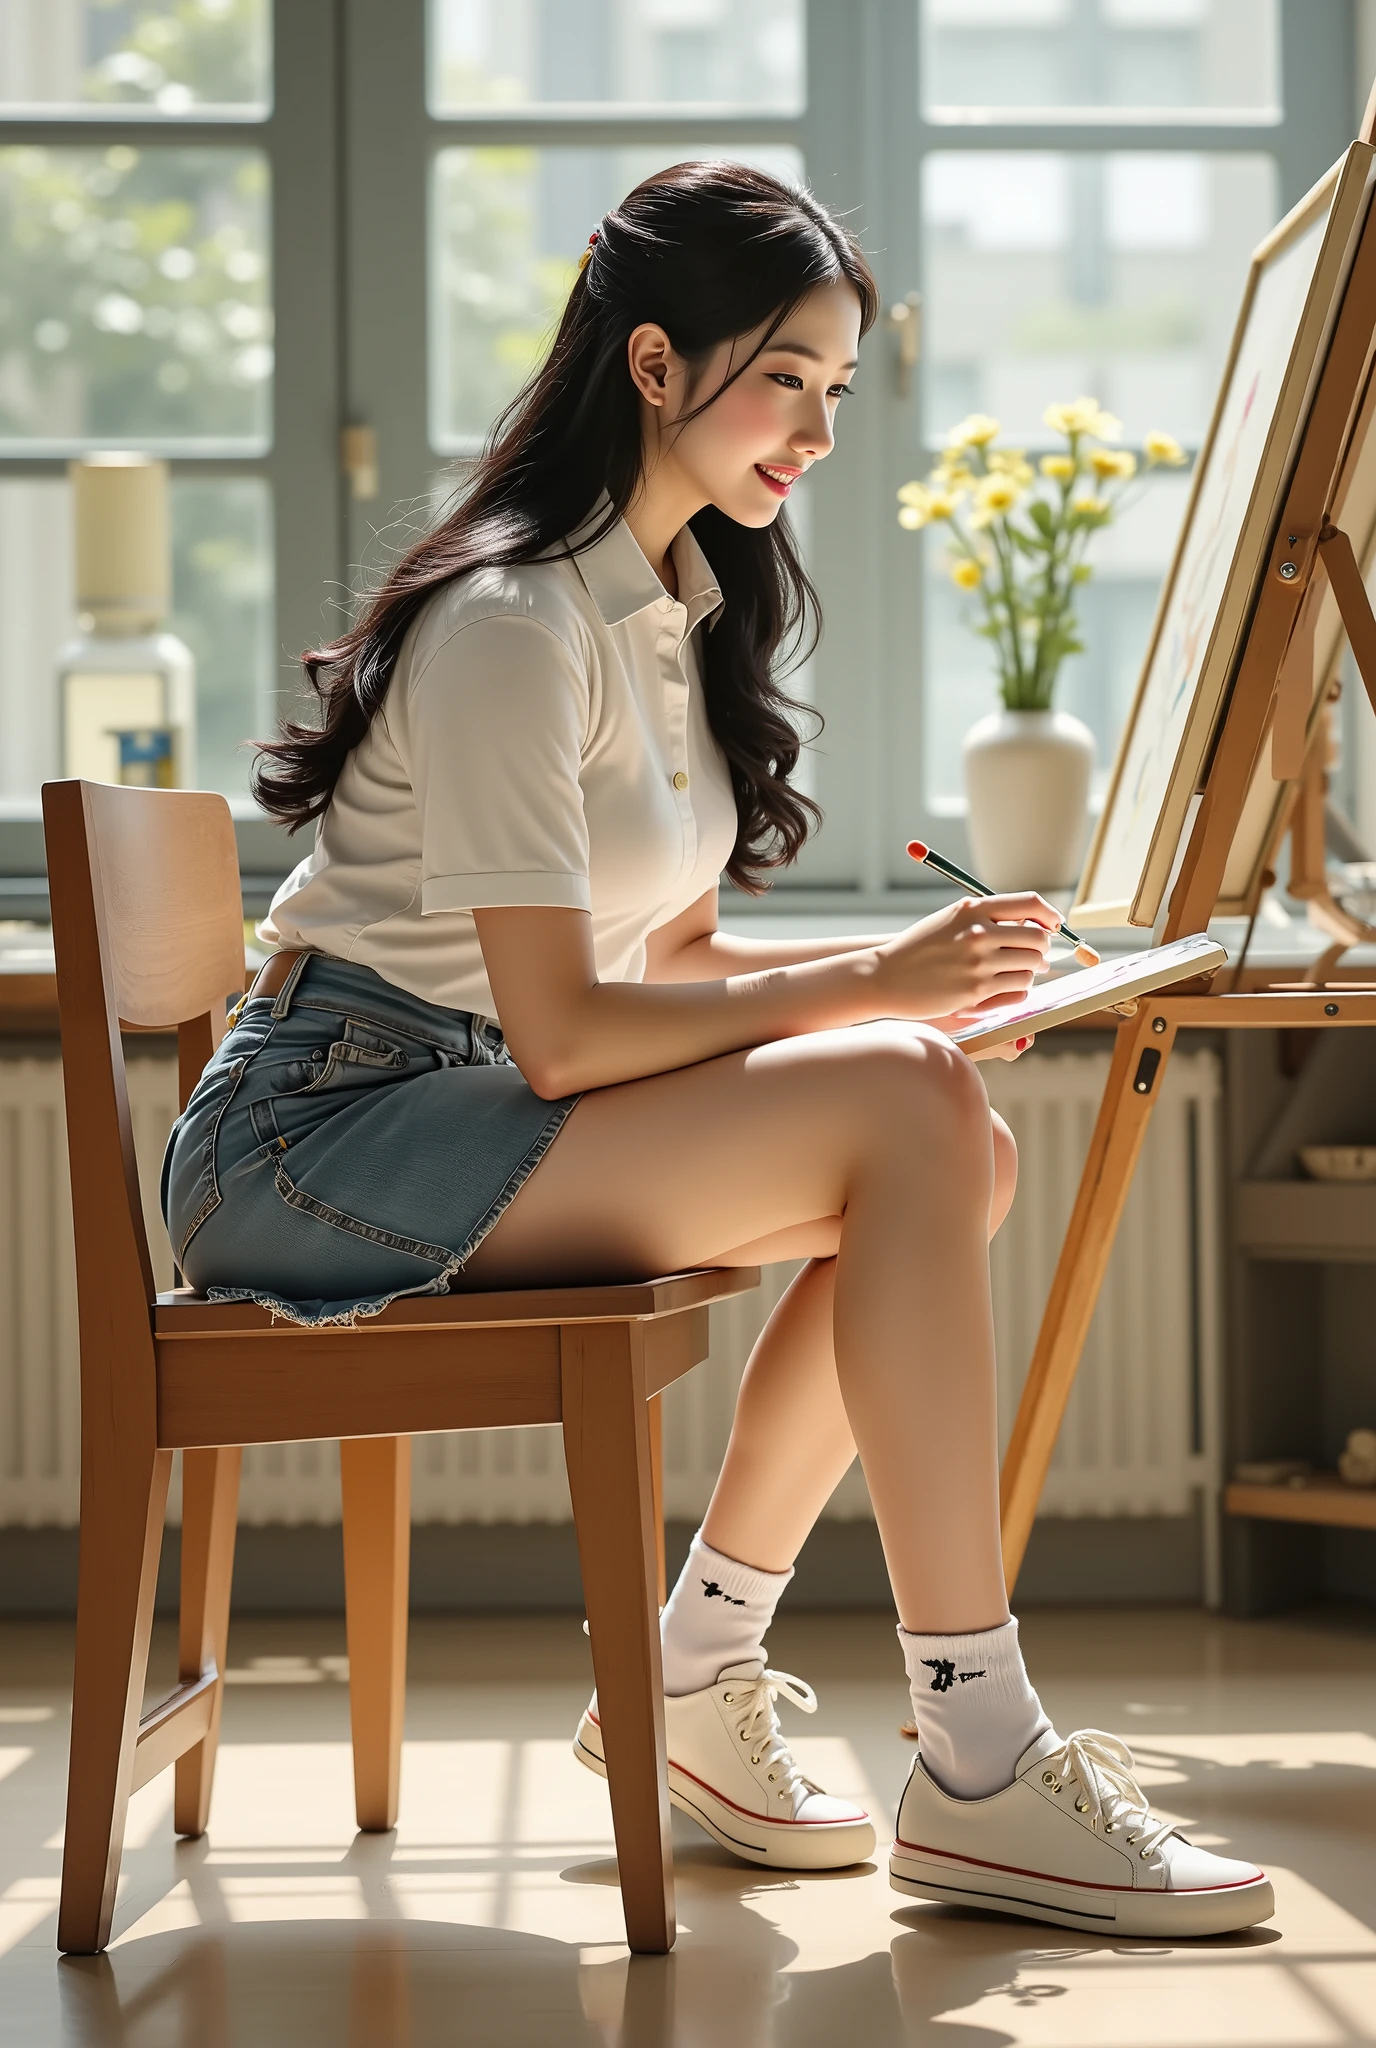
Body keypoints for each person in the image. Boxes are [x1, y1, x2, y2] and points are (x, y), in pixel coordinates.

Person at [161, 160, 1271, 1938]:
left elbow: (667, 959)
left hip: (475, 1088)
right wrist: (869, 996)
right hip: (321, 1129)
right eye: (788, 380)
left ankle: (695, 1673)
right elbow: (572, 1024)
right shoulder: (515, 623)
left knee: (951, 1137)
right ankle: (980, 1756)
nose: (819, 431)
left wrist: (904, 987)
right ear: (656, 362)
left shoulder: (665, 605)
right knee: (914, 1109)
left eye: (840, 391)